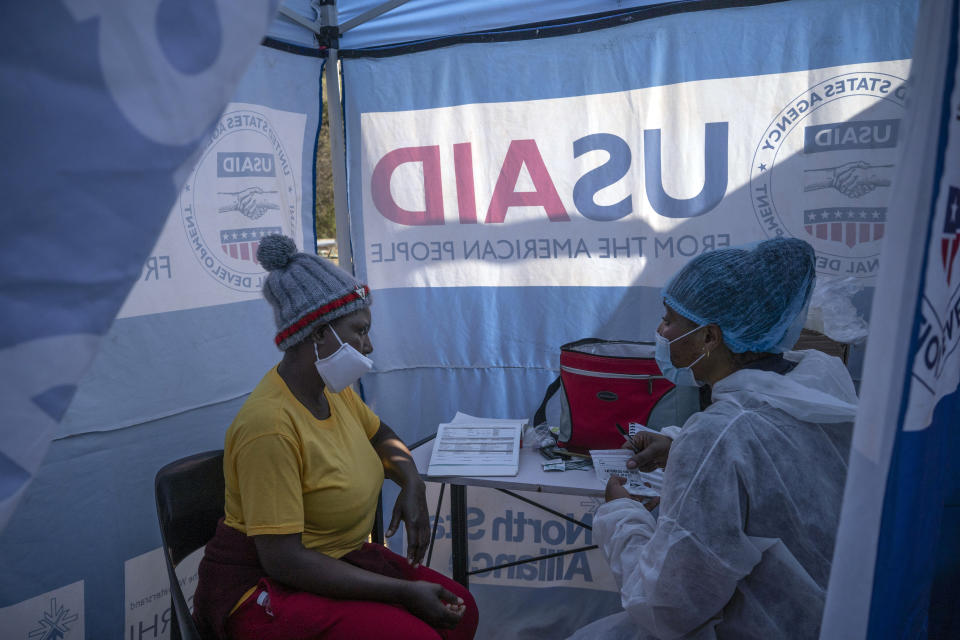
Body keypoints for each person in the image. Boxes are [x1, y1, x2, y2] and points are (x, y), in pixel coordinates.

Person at [569, 237, 858, 639]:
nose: (659, 330)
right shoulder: (822, 384)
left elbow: (668, 607)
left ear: (709, 338)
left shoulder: (720, 435)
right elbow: (779, 465)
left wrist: (621, 515)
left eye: (670, 319)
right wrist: (677, 448)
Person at [192, 234, 478, 640]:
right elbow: (284, 560)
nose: (369, 344)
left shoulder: (331, 391)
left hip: (332, 559)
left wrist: (411, 482)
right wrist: (403, 592)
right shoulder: (270, 426)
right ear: (317, 333)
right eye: (359, 330)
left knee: (459, 613)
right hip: (262, 587)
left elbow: (383, 437)